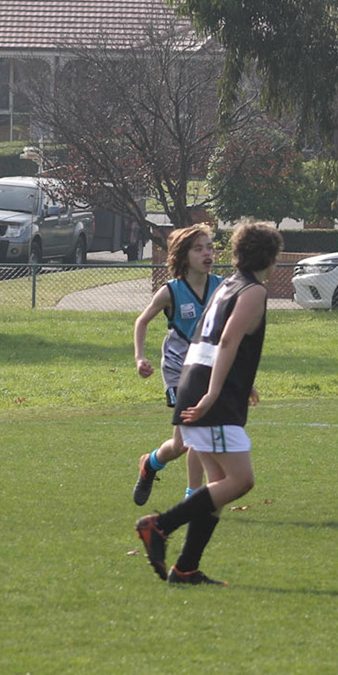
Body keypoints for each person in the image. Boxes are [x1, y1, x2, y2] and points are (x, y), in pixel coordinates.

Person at [134, 220, 282, 587]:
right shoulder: (253, 291)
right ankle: (159, 525)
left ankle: (185, 569)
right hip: (210, 393)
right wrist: (214, 392)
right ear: (270, 257)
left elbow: (210, 339)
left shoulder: (226, 285)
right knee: (241, 481)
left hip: (195, 381)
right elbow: (228, 340)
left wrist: (237, 382)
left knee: (216, 486)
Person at [129, 224, 222, 507]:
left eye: (209, 247)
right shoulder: (171, 291)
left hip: (207, 367)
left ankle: (151, 463)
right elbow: (142, 321)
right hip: (178, 369)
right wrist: (140, 357)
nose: (207, 253)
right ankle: (193, 498)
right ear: (183, 256)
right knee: (195, 434)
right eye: (199, 249)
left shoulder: (221, 287)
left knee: (183, 443)